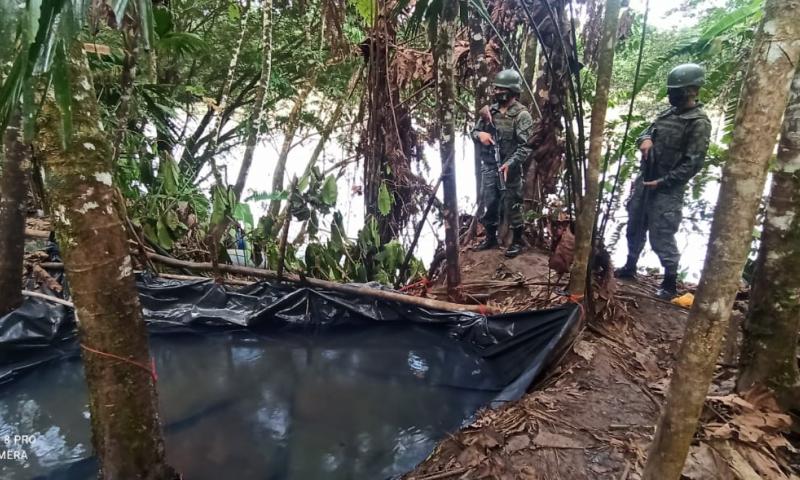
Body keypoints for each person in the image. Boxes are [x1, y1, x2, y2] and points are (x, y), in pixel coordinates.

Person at [614, 63, 712, 299]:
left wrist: (664, 181)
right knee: (634, 224)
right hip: (645, 181)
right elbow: (645, 133)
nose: (671, 96)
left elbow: (693, 163)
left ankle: (669, 282)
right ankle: (630, 265)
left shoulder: (698, 122)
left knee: (662, 234)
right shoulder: (667, 114)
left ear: (691, 91)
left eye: (675, 91)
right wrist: (645, 139)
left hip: (667, 189)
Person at [471, 69, 535, 258]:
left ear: (511, 91)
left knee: (512, 204)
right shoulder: (490, 112)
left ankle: (516, 242)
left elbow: (526, 147)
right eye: (496, 88)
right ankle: (490, 237)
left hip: (510, 169)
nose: (497, 92)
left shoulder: (522, 116)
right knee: (490, 202)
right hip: (490, 166)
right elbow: (474, 132)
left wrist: (510, 164)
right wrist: (480, 135)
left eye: (501, 89)